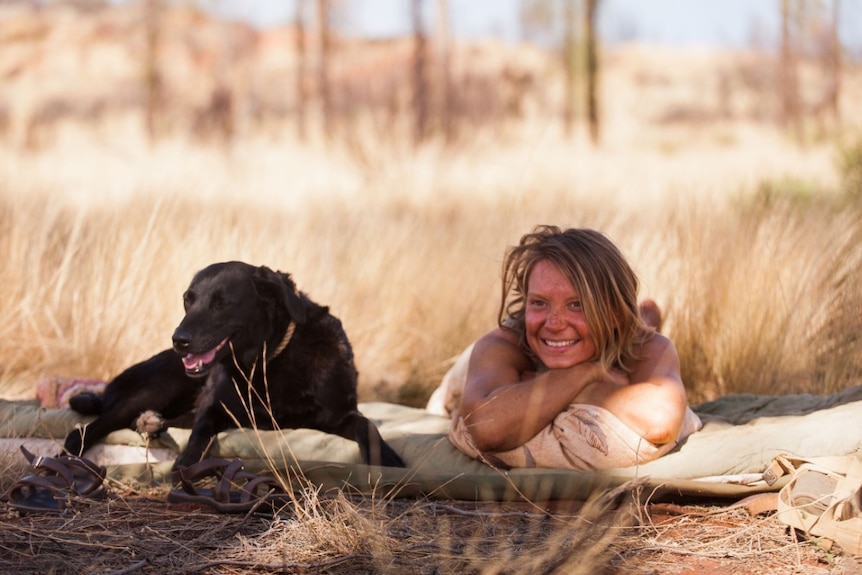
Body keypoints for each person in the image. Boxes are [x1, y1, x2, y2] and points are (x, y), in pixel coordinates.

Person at [442, 225, 702, 470]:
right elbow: (486, 428)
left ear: (614, 314)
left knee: (642, 329)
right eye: (539, 303)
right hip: (465, 372)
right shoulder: (501, 344)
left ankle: (646, 316)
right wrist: (586, 374)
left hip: (618, 337)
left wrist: (556, 386)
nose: (554, 323)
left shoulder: (647, 345)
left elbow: (660, 421)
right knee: (448, 394)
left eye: (576, 304)